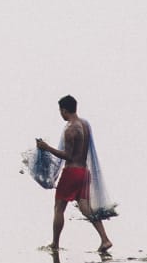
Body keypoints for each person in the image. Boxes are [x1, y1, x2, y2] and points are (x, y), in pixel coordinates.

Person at [36, 95, 114, 254]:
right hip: (84, 173)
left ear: (64, 110)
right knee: (86, 208)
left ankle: (55, 244)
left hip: (72, 172)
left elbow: (69, 156)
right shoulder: (85, 124)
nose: (60, 114)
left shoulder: (71, 129)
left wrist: (46, 147)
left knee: (58, 208)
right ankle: (105, 239)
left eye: (60, 111)